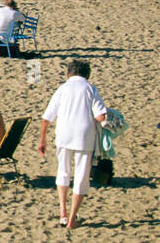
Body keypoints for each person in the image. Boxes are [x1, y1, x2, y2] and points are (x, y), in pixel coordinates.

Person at [37, 60, 108, 231]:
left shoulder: (62, 89)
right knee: (81, 176)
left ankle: (63, 212)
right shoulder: (90, 89)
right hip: (84, 136)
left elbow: (47, 117)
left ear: (69, 73)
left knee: (63, 171)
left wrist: (42, 140)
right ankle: (72, 220)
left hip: (64, 134)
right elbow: (100, 116)